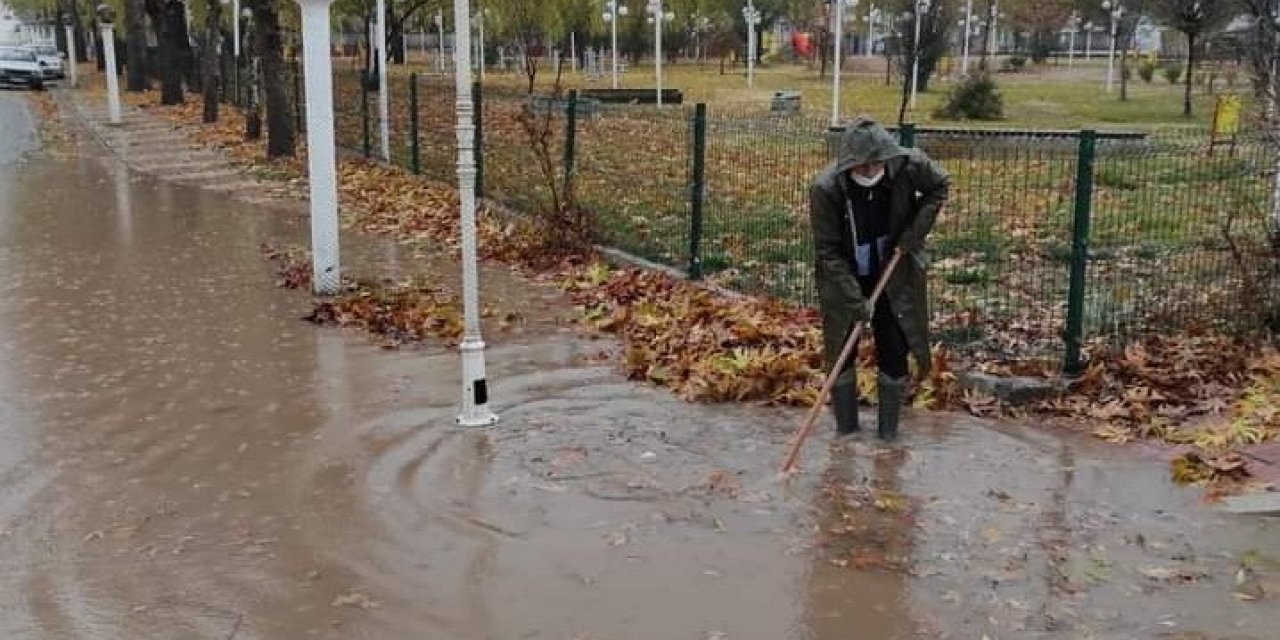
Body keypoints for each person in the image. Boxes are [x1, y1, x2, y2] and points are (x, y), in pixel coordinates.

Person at [810, 116, 949, 441]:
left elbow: (940, 186)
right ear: (849, 164)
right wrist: (854, 299)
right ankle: (846, 432)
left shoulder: (909, 165)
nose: (871, 171)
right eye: (863, 166)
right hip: (844, 274)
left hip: (894, 270)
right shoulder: (826, 189)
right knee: (841, 346)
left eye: (877, 163)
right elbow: (827, 250)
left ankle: (888, 435)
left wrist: (913, 235)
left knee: (894, 343)